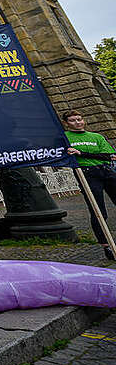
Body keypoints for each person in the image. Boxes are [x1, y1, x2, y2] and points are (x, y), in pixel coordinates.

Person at [62, 110, 116, 260]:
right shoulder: (65, 138)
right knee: (98, 210)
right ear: (66, 123)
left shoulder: (96, 136)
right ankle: (107, 245)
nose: (77, 122)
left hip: (106, 170)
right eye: (73, 120)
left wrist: (81, 153)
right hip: (86, 174)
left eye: (79, 119)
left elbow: (107, 156)